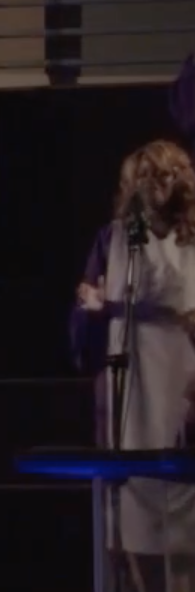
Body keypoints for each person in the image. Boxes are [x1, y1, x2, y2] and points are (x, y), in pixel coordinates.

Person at [74, 139, 195, 558]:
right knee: (131, 477)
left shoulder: (191, 236)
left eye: (163, 175)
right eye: (144, 176)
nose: (154, 184)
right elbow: (96, 297)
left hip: (180, 364)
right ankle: (130, 571)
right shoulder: (118, 237)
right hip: (131, 363)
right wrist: (93, 304)